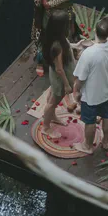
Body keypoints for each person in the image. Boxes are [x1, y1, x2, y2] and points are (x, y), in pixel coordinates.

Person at [72, 17, 108, 154]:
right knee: (107, 116)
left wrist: (75, 91)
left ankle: (87, 146)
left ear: (95, 31)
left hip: (91, 95)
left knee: (90, 121)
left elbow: (80, 78)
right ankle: (105, 142)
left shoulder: (89, 54)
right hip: (107, 90)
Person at [42, 11, 76, 139]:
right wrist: (67, 85)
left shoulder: (57, 38)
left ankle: (53, 117)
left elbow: (66, 46)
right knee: (52, 102)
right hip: (60, 78)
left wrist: (76, 45)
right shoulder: (57, 47)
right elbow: (59, 69)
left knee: (54, 99)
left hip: (59, 75)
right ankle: (45, 127)